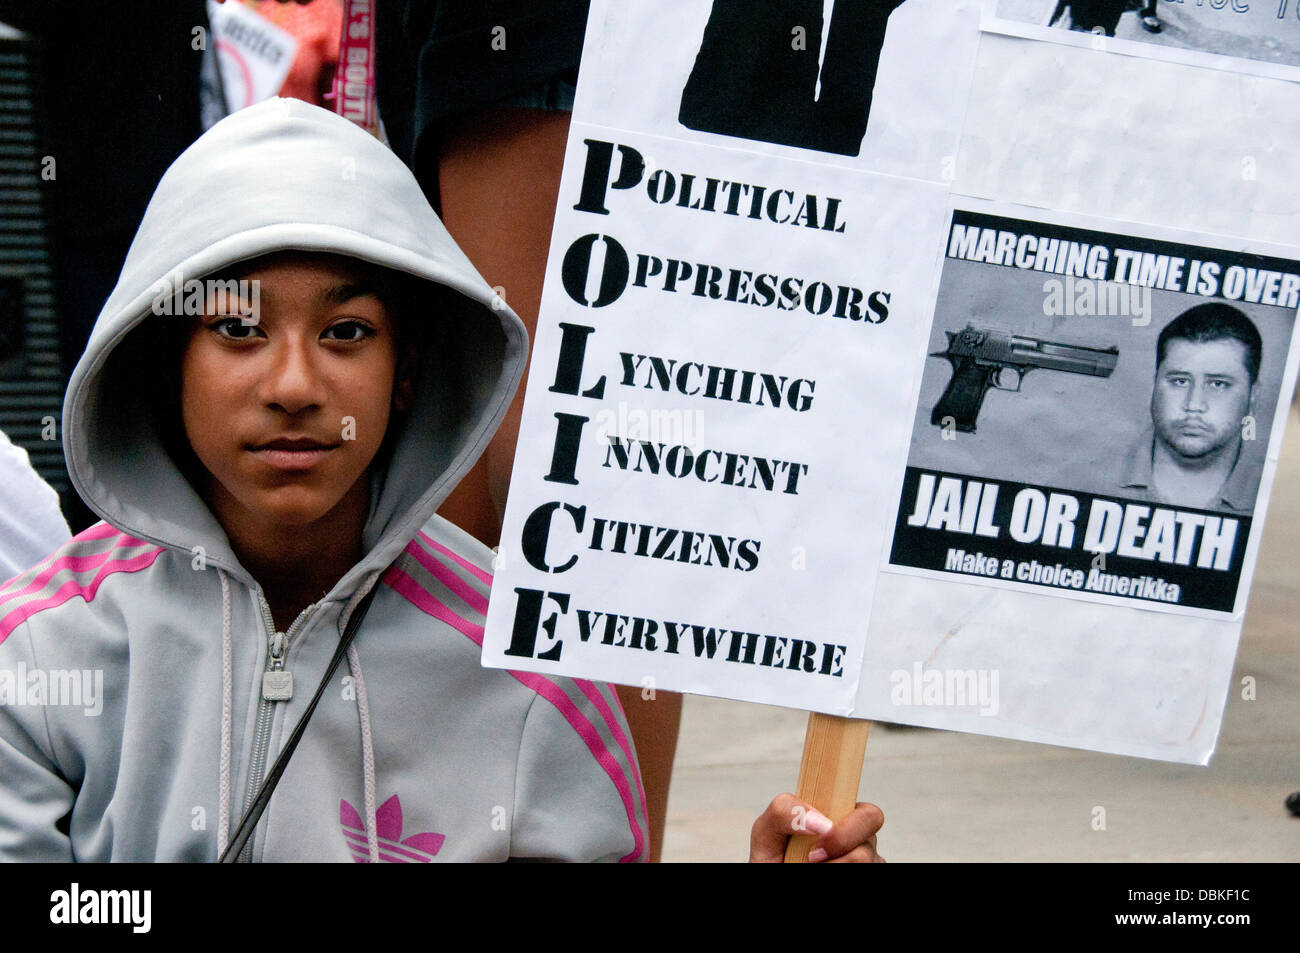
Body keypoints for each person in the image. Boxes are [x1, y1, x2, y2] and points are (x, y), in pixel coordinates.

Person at [0, 98, 881, 862]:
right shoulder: (39, 657)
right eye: (238, 329)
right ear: (163, 363)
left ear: (408, 370)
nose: (294, 386)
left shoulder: (536, 676)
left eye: (346, 331)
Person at [1118, 303, 1261, 513]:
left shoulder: (1279, 500)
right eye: (1180, 381)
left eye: (1218, 384)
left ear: (1253, 397)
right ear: (1155, 384)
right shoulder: (1085, 474)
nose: (1193, 405)